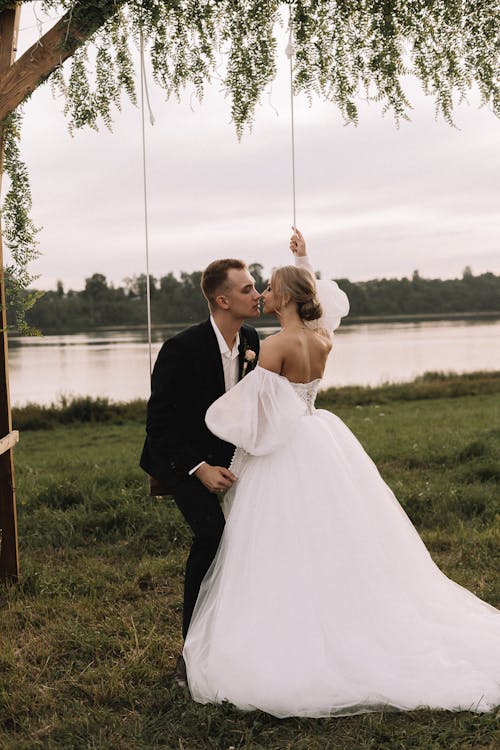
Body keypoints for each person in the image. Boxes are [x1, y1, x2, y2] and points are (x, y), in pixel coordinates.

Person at [182, 229, 500, 718]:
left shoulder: (274, 347)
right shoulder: (322, 336)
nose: (262, 293)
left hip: (286, 450)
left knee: (277, 542)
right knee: (336, 533)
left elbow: (255, 418)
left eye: (268, 287)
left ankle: (290, 631)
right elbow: (320, 298)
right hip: (320, 436)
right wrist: (302, 257)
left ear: (284, 297)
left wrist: (225, 421)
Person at [140, 258, 260, 684]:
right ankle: (190, 653)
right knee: (213, 535)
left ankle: (243, 640)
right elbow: (160, 426)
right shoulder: (181, 348)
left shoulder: (252, 339)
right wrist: (199, 468)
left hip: (230, 456)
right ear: (222, 299)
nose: (257, 294)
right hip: (179, 458)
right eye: (247, 289)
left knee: (257, 533)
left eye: (255, 286)